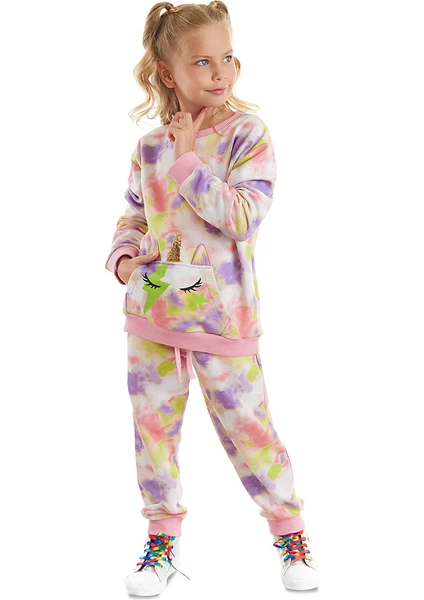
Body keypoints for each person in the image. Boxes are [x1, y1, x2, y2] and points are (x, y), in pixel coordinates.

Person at [105, 1, 319, 595]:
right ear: (168, 72)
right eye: (202, 61)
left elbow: (242, 217)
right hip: (152, 318)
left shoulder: (247, 134)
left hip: (225, 322)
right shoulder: (149, 146)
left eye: (227, 57)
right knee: (153, 439)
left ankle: (290, 535)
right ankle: (161, 544)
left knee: (252, 432)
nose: (219, 71)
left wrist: (190, 161)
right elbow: (134, 214)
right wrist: (123, 258)